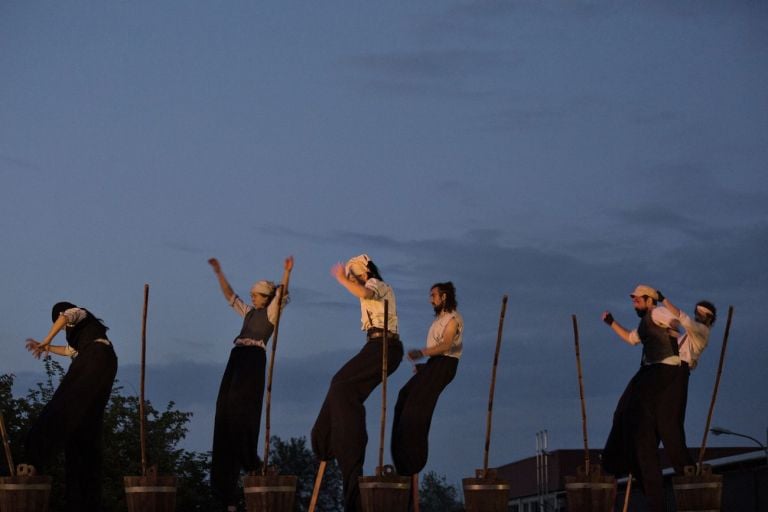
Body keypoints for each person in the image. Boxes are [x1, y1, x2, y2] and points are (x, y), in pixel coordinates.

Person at [311, 254, 404, 512]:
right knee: (342, 387)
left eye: (353, 274)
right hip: (374, 346)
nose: (351, 278)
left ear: (364, 272)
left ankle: (344, 445)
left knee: (342, 385)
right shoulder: (367, 287)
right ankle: (328, 438)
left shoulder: (377, 285)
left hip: (385, 347)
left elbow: (365, 293)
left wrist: (342, 279)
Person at [208, 256, 293, 512]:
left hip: (253, 359)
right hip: (237, 356)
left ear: (265, 297)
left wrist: (286, 272)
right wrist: (219, 272)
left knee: (239, 409)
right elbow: (229, 295)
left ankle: (250, 460)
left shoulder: (269, 313)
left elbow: (281, 295)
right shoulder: (249, 313)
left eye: (255, 295)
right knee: (224, 408)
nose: (252, 298)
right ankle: (225, 491)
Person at [24, 302, 118, 512]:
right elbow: (69, 351)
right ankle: (84, 497)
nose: (65, 328)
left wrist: (46, 340)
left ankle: (35, 454)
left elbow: (65, 317)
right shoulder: (85, 338)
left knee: (64, 403)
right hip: (103, 361)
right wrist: (46, 347)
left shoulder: (77, 313)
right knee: (85, 424)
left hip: (96, 357)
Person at [601, 285, 682, 512]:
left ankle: (617, 456)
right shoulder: (644, 321)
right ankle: (625, 453)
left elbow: (674, 321)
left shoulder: (657, 313)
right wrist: (611, 322)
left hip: (662, 369)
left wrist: (675, 331)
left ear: (649, 300)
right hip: (650, 370)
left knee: (631, 409)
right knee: (622, 410)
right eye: (634, 301)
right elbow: (630, 338)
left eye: (637, 301)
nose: (635, 304)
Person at [391, 282, 462, 489]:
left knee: (417, 406)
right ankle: (402, 459)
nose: (431, 299)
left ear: (444, 296)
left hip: (446, 364)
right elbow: (436, 354)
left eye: (434, 295)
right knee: (404, 396)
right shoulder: (438, 321)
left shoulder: (453, 319)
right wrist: (424, 369)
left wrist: (421, 353)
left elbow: (447, 345)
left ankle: (414, 457)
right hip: (435, 365)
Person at [654, 293, 717, 473]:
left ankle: (684, 465)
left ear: (708, 319)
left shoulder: (702, 331)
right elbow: (677, 341)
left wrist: (663, 299)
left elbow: (684, 319)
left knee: (671, 418)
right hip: (672, 369)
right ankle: (680, 462)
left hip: (679, 371)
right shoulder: (689, 335)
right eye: (697, 313)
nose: (698, 317)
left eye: (702, 315)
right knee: (667, 418)